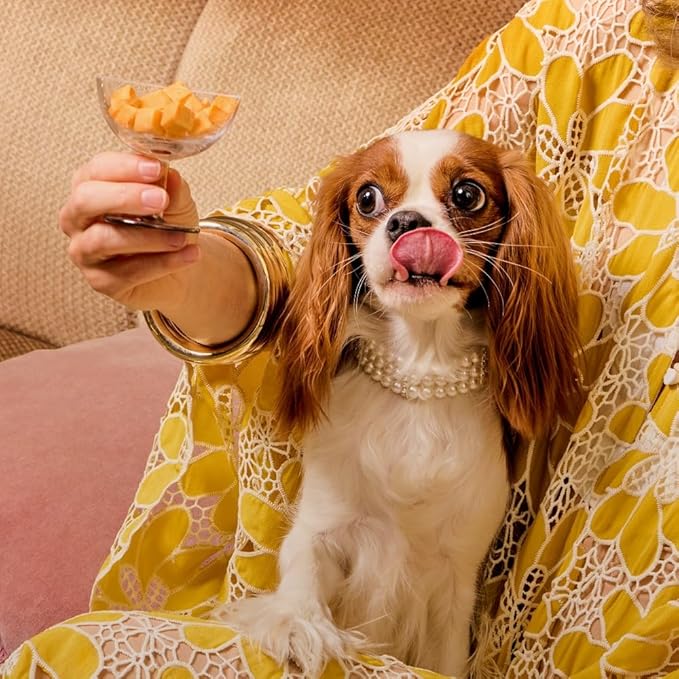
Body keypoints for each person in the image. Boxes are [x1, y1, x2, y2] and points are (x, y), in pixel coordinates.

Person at [3, 0, 677, 676]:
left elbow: (454, 595)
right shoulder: (594, 30)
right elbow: (297, 234)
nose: (412, 225)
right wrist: (180, 269)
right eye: (373, 204)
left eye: (465, 199)